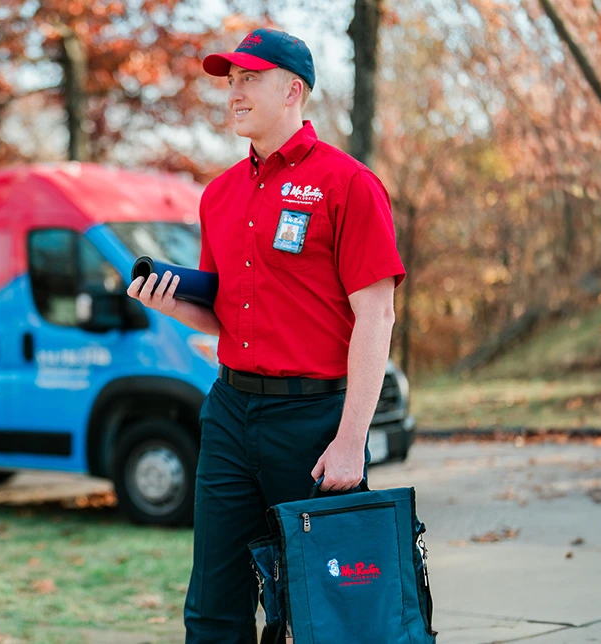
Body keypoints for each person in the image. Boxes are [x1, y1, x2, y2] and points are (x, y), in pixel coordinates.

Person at [126, 28, 407, 643]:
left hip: (314, 421)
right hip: (229, 413)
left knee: (328, 614)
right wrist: (171, 305)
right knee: (212, 609)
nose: (235, 93)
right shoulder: (220, 196)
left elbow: (376, 317)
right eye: (231, 81)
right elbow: (222, 312)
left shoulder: (349, 185)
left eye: (250, 78)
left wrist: (351, 440)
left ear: (294, 90)